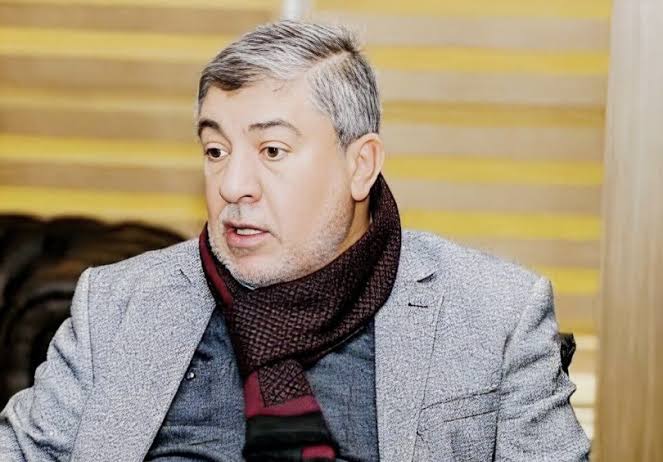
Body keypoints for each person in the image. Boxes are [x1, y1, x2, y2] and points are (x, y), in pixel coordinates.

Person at [0, 20, 590, 461]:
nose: (232, 185)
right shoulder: (117, 304)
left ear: (361, 165)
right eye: (215, 150)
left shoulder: (495, 314)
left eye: (272, 150)